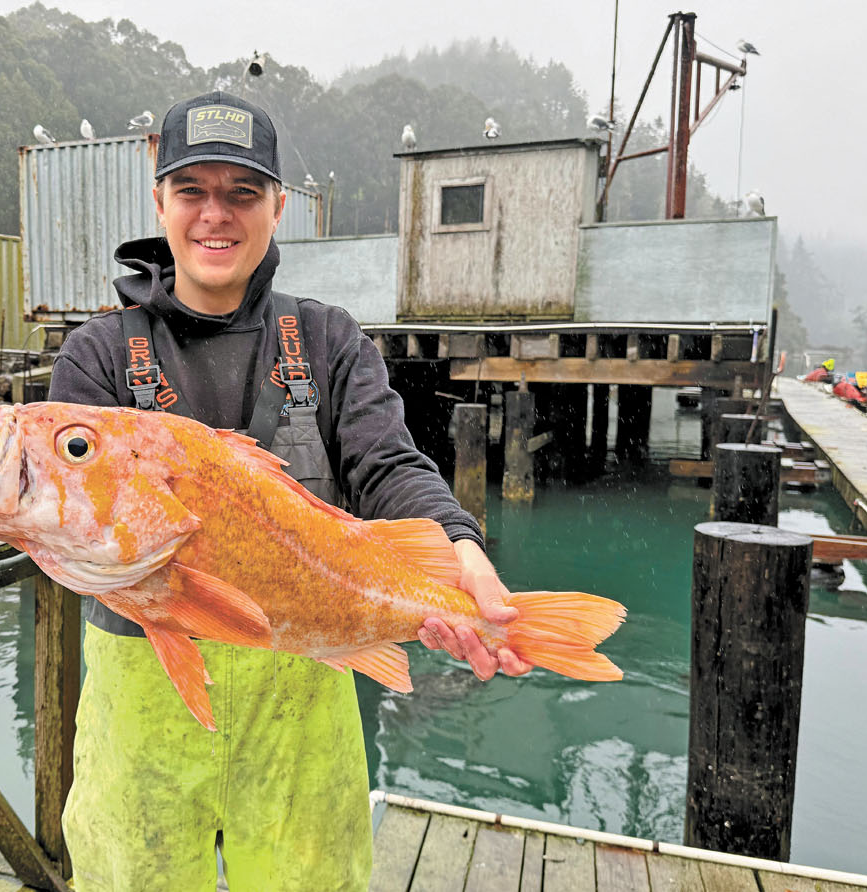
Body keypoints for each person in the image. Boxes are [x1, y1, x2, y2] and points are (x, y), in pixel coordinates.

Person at [48, 90, 530, 891]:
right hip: (143, 694)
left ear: (278, 206)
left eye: (241, 193)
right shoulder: (96, 357)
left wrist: (456, 548)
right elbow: (67, 523)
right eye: (192, 190)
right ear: (158, 198)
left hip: (306, 691)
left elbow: (387, 464)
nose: (216, 216)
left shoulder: (330, 340)